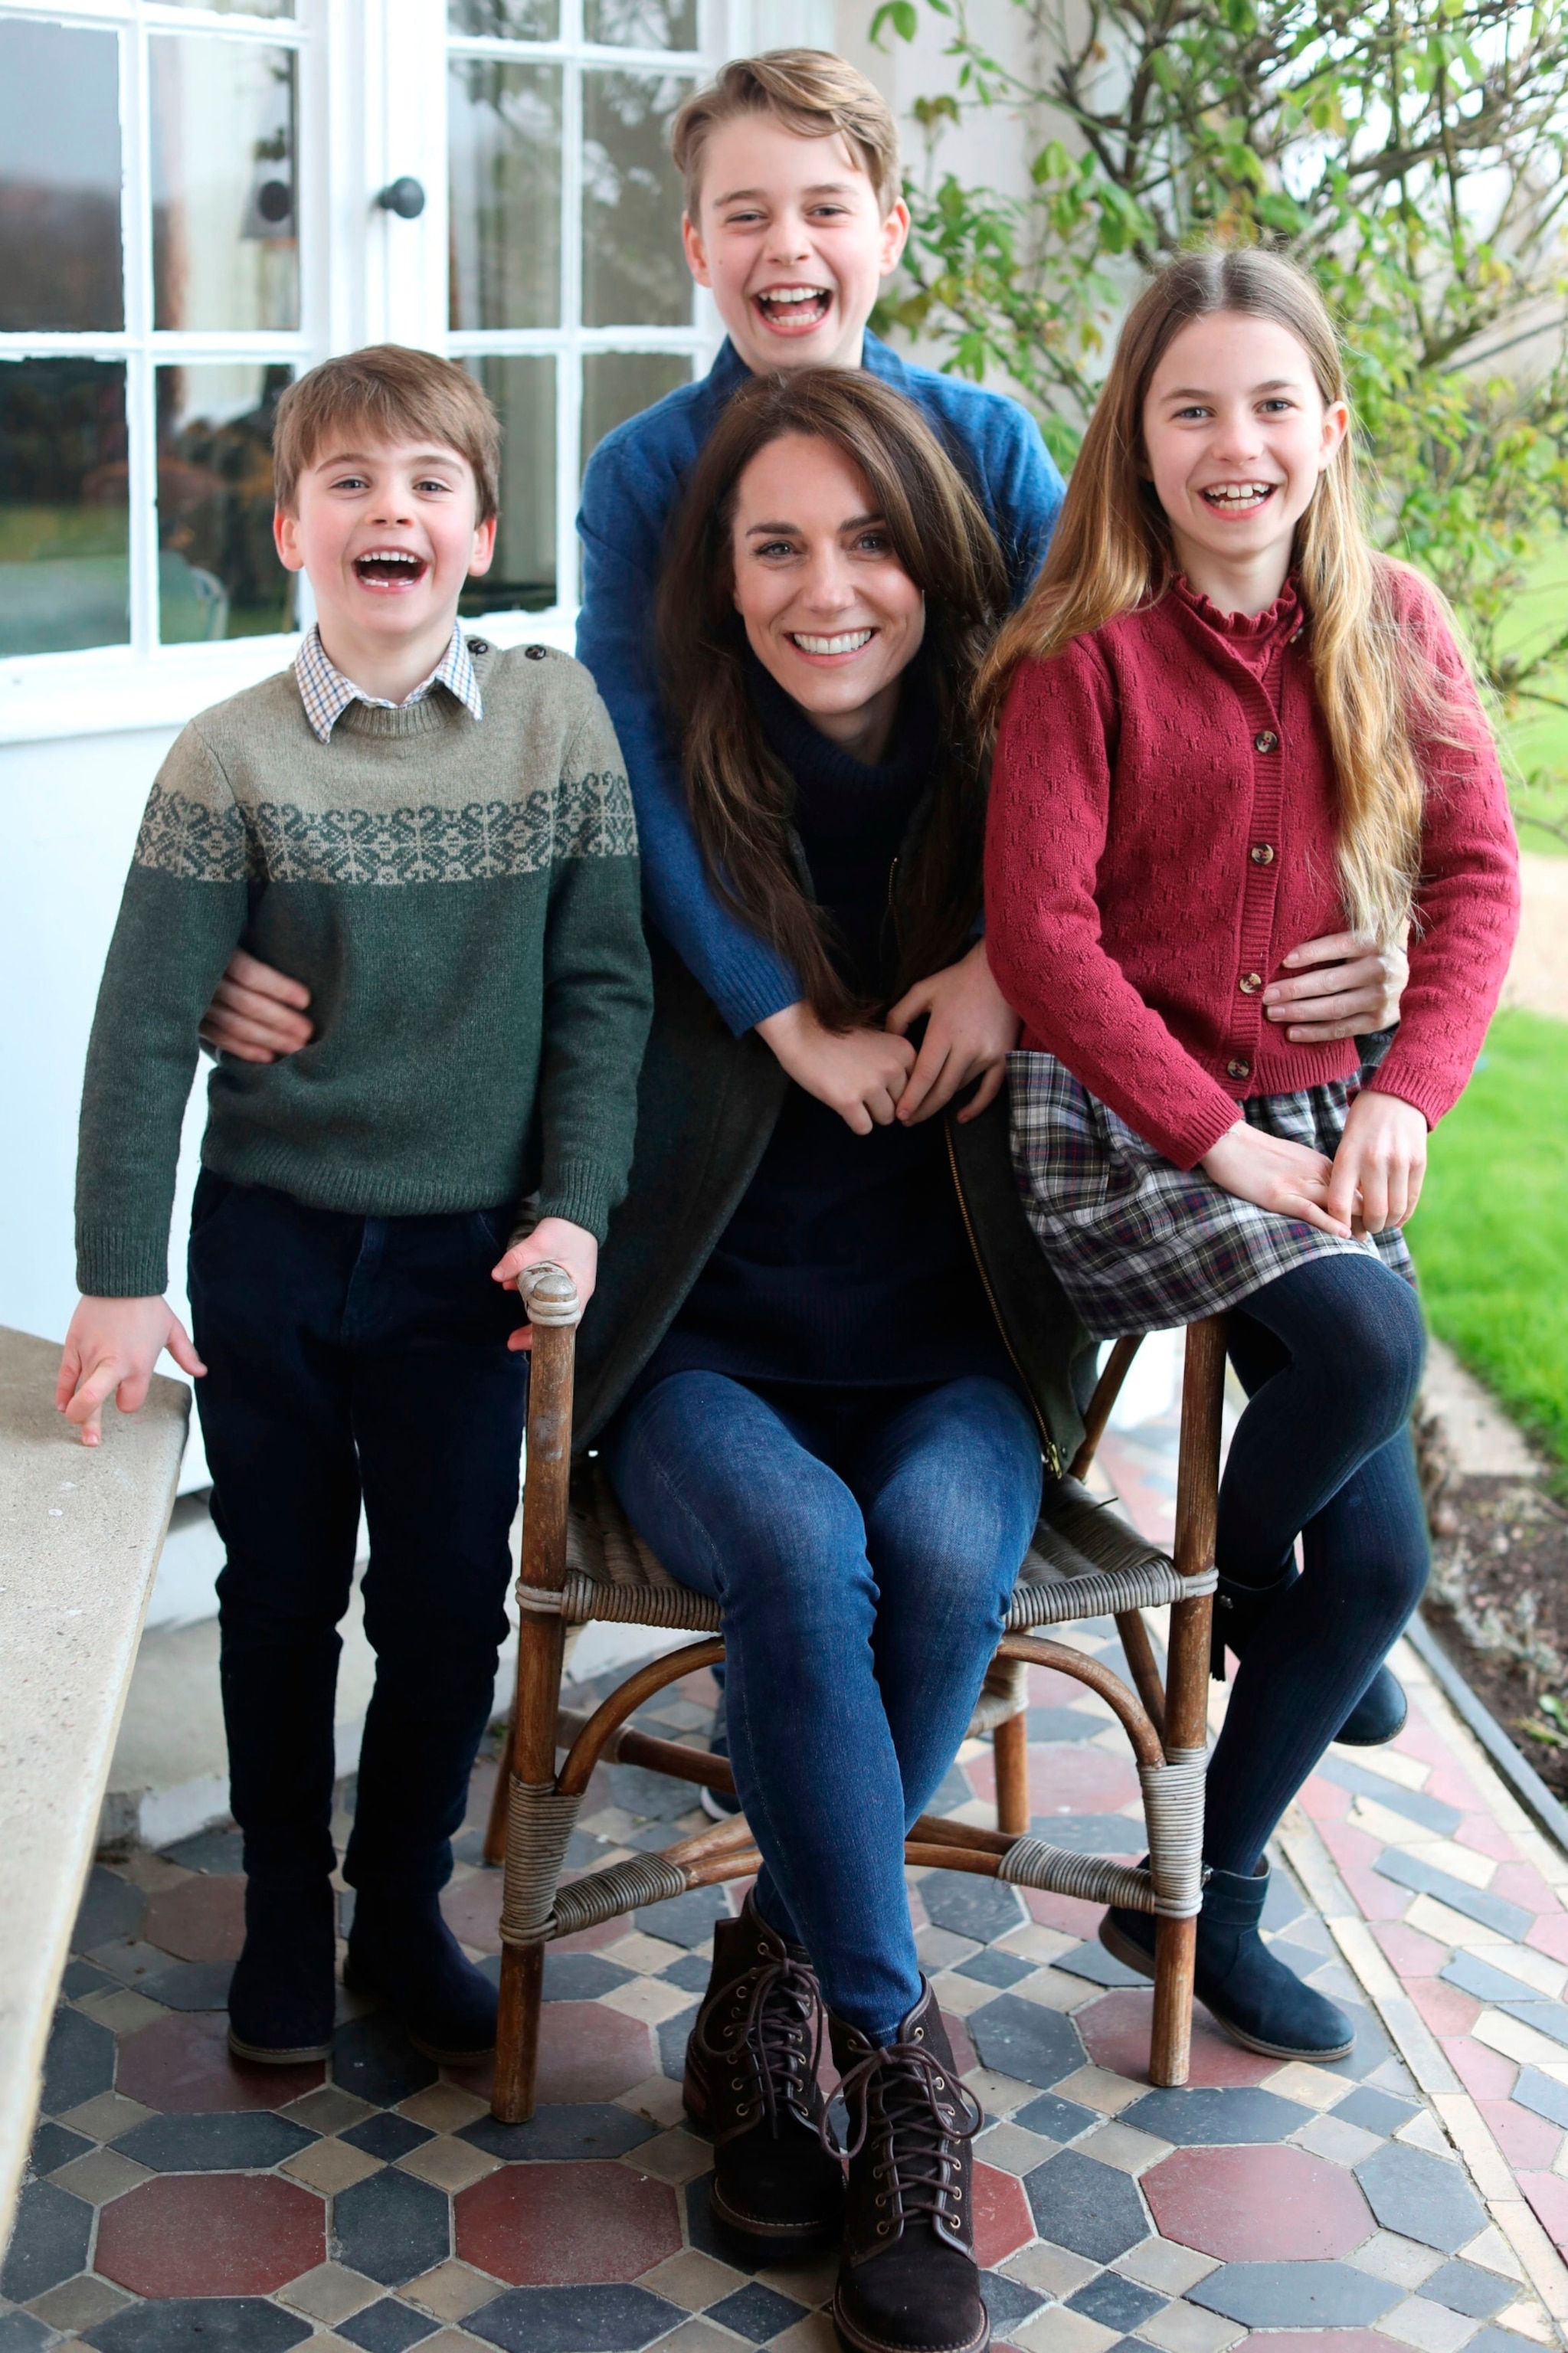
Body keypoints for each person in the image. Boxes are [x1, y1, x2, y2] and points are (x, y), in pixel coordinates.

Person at [57, 346, 653, 2071]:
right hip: (274, 1245)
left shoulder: (557, 723)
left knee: (450, 1602)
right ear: (289, 527)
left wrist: (577, 1208)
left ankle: (401, 1906)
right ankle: (281, 1913)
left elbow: (603, 994)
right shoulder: (224, 761)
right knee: (277, 1593)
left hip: (471, 1263)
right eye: (350, 483)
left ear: (478, 535)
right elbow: (145, 1024)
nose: (389, 507)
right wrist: (114, 1276)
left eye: (427, 485)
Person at [983, 248, 1521, 2065]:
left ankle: (1202, 1900)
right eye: (1192, 409)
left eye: (1272, 406)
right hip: (1119, 1123)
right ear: (1136, 441)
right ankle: (1245, 1583)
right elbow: (1044, 940)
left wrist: (1399, 1095)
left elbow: (1471, 884)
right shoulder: (1084, 663)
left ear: (1331, 431)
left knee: (1383, 1575)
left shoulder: (1402, 624)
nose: (1237, 446)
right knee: (1367, 1351)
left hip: (1309, 1117)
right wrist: (1211, 1134)